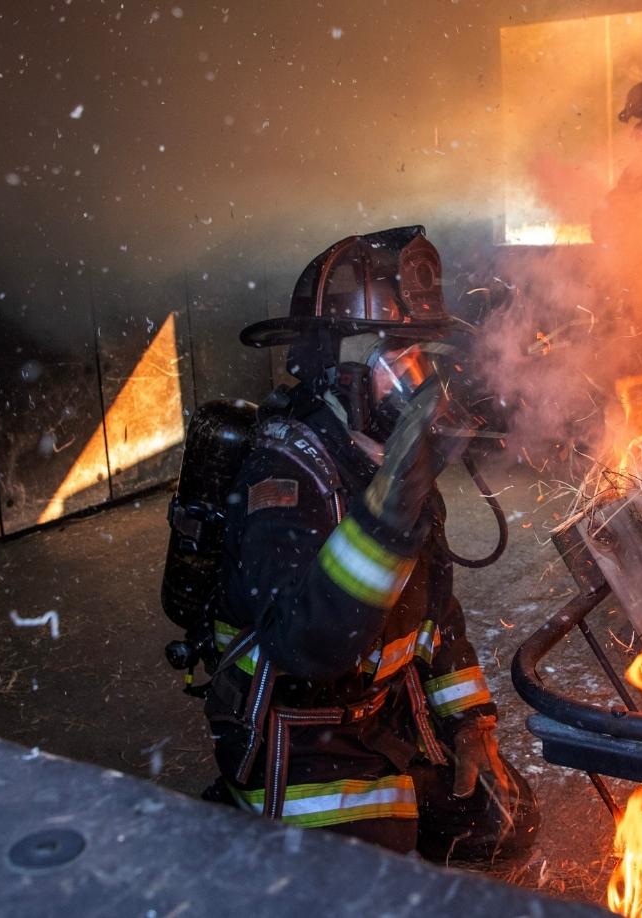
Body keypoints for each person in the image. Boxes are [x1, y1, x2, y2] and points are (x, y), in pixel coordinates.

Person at [202, 225, 539, 862]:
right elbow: (309, 647)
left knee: (504, 822)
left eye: (422, 355)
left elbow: (436, 616)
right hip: (298, 738)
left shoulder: (392, 467)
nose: (420, 378)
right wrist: (389, 510)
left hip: (379, 717)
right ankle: (243, 814)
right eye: (397, 356)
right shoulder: (284, 475)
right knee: (378, 874)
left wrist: (471, 721)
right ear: (339, 367)